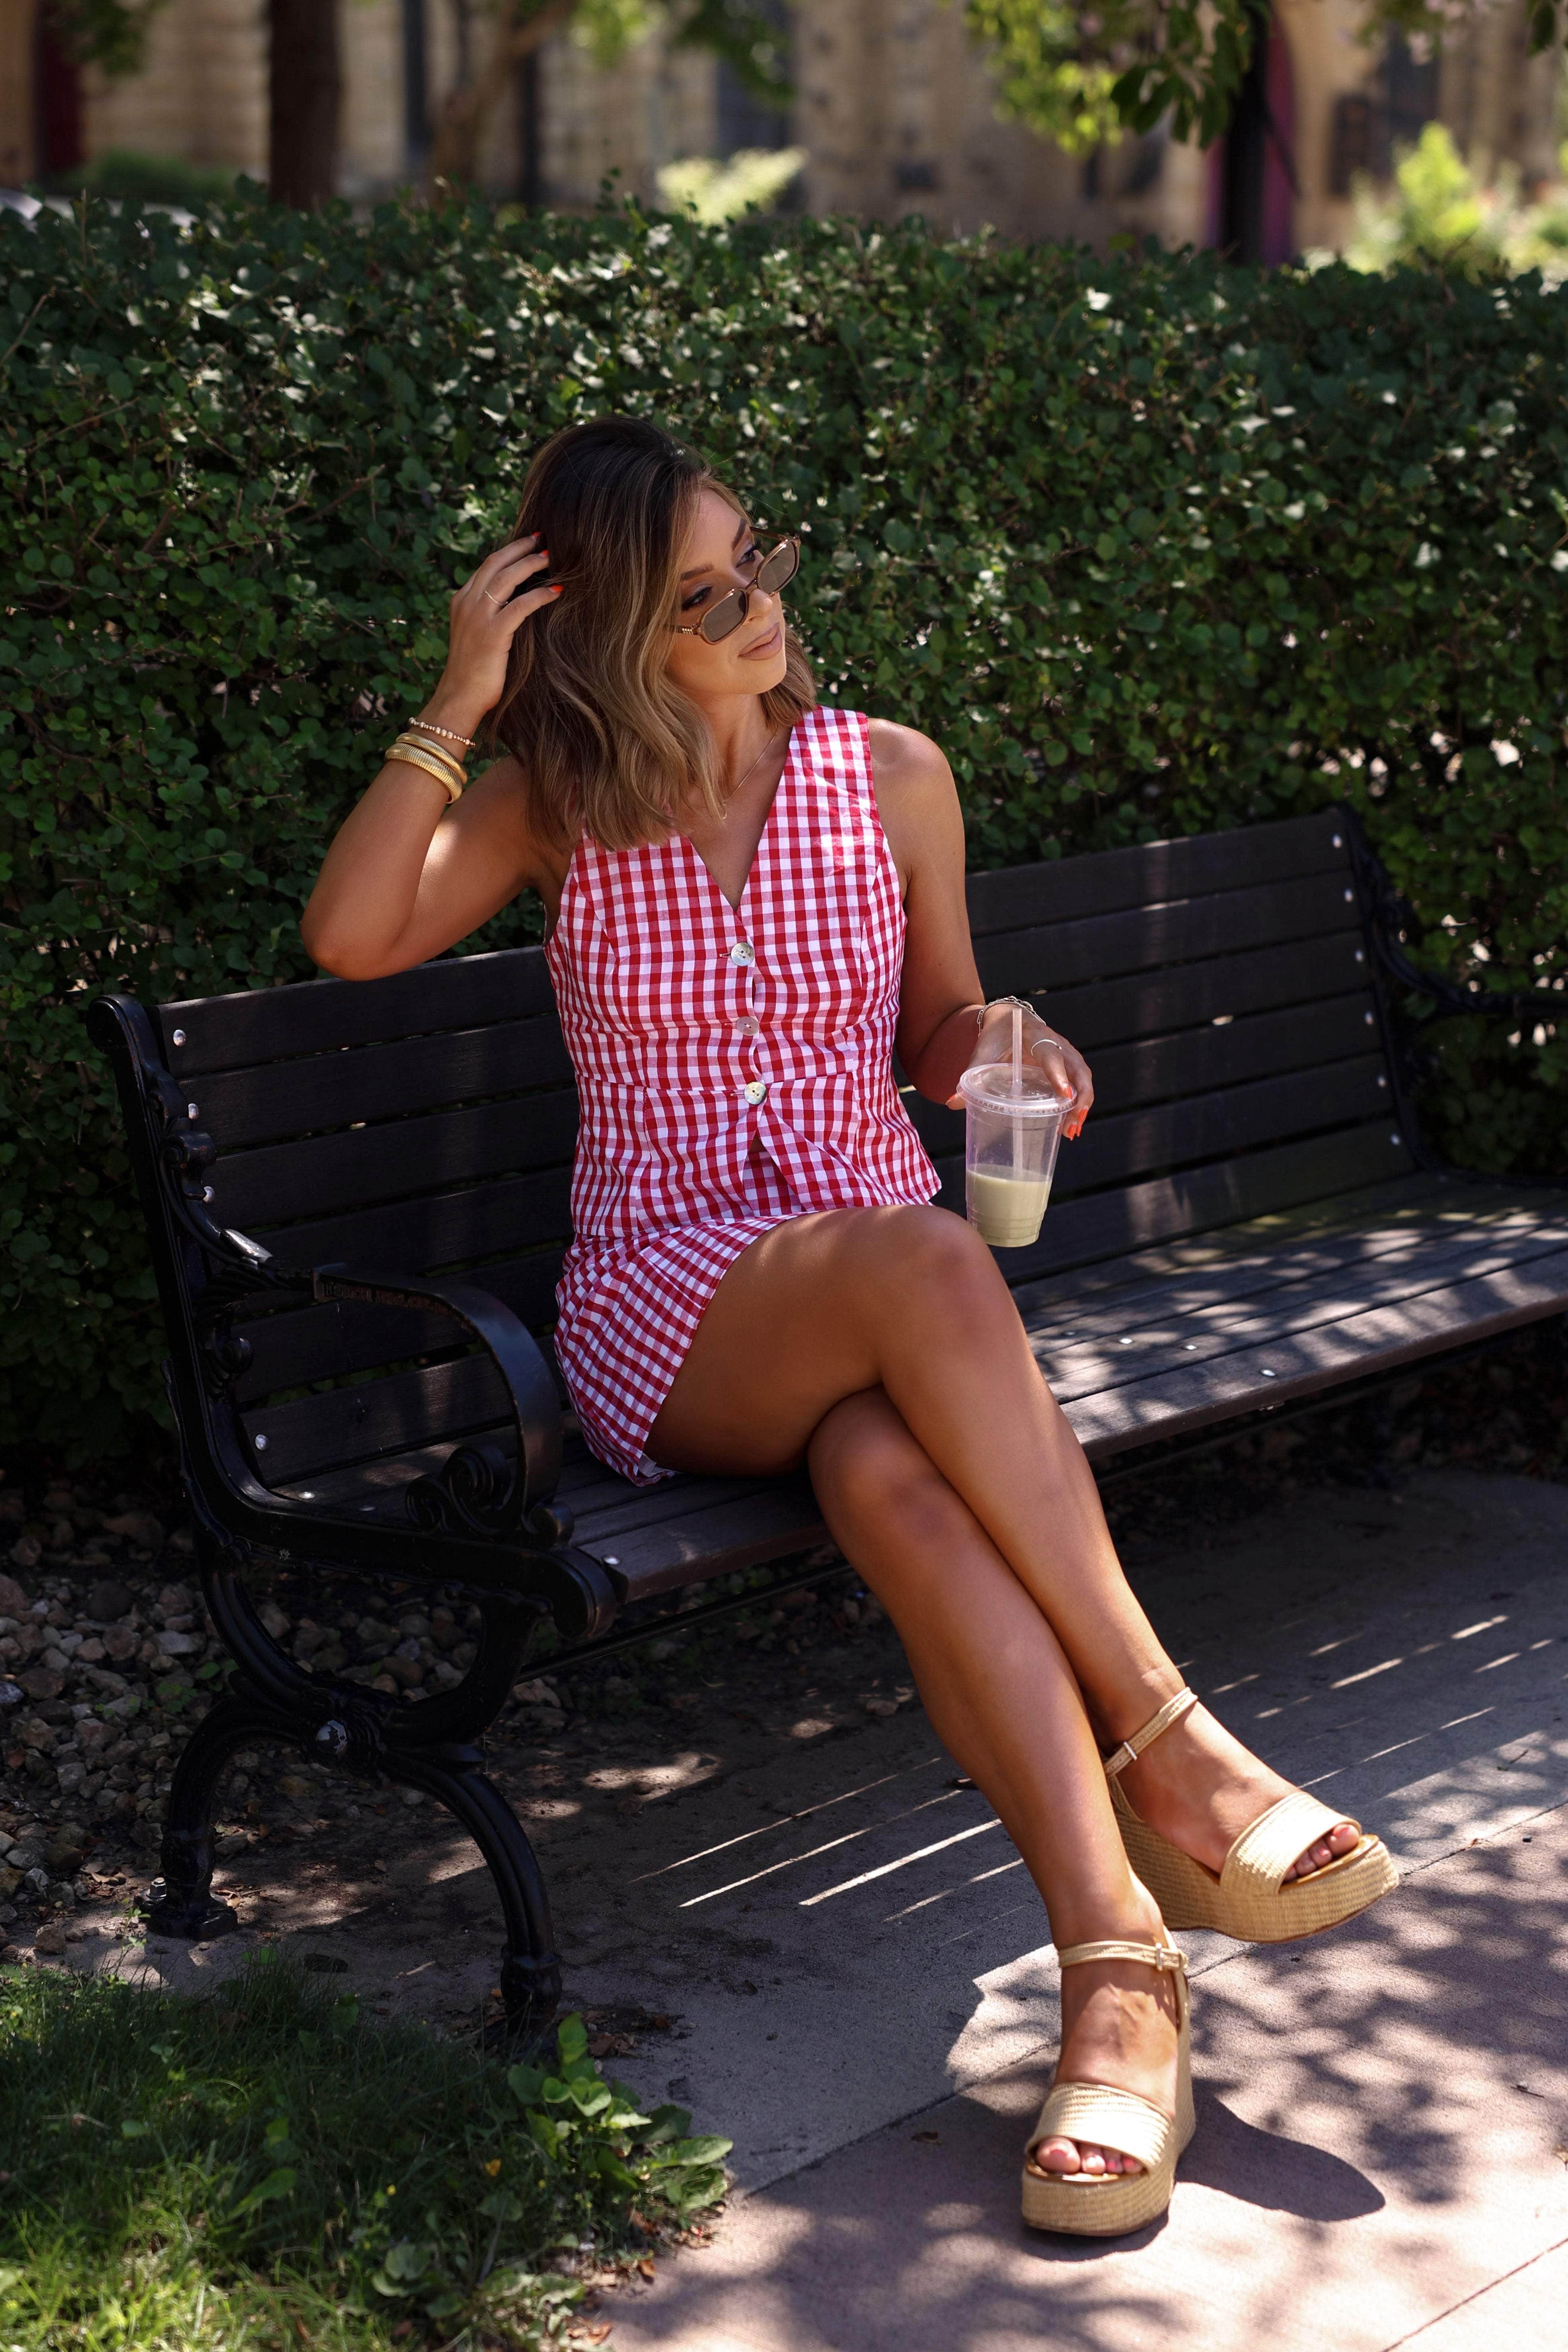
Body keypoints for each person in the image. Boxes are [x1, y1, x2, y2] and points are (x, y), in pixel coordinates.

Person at [302, 415, 1397, 2237]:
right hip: (670, 1293)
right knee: (932, 1261)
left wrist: (1009, 1057)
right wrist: (460, 688)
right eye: (705, 596)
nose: (761, 616)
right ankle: (1178, 1739)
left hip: (876, 1309)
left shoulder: (889, 776)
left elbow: (942, 1026)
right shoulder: (557, 803)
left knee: (898, 1472)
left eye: (763, 568)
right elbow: (351, 936)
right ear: (614, 631)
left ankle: (1120, 1978)